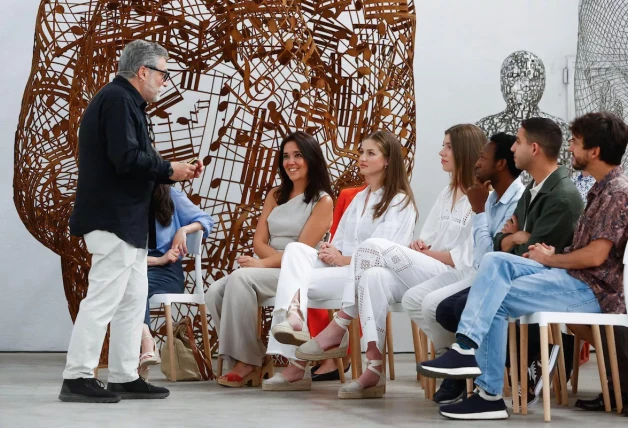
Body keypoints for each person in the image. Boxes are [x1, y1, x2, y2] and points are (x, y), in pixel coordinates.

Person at [419, 111, 628, 420]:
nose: (570, 149)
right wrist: (550, 251)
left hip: (590, 289)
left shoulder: (616, 192)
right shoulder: (601, 189)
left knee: (495, 294)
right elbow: (505, 243)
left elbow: (597, 257)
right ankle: (466, 352)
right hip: (572, 276)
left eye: (576, 143)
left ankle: (486, 392)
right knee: (495, 262)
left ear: (594, 152)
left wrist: (549, 258)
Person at [291, 124, 482, 397]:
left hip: (457, 275)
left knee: (372, 247)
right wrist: (419, 246)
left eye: (448, 147)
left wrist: (424, 252)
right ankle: (374, 370)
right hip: (430, 270)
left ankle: (340, 325)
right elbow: (426, 240)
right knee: (373, 276)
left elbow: (466, 257)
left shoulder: (475, 196)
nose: (441, 152)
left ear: (464, 151)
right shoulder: (446, 193)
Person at [60, 40, 202, 403]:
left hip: (127, 223)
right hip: (114, 221)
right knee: (103, 299)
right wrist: (170, 168)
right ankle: (77, 376)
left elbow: (132, 158)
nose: (164, 82)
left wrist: (169, 172)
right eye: (163, 74)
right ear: (143, 72)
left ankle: (124, 374)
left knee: (130, 300)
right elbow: (126, 158)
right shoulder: (119, 100)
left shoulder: (123, 101)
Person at [432, 118, 584, 406]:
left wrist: (514, 239)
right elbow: (506, 242)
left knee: (471, 301)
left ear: (535, 148)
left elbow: (533, 253)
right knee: (449, 308)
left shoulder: (561, 196)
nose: (514, 147)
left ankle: (482, 373)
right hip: (518, 271)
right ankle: (486, 378)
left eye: (518, 141)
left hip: (549, 279)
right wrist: (513, 238)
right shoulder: (532, 190)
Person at [263, 130, 417, 393]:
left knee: (296, 284)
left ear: (388, 160)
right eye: (361, 152)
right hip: (341, 271)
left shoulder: (400, 201)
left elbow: (382, 253)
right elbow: (341, 241)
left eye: (370, 153)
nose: (362, 158)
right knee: (297, 250)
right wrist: (328, 249)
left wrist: (341, 257)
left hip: (367, 277)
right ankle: (293, 320)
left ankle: (297, 365)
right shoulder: (360, 198)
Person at [205, 131, 334, 388]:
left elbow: (301, 251)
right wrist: (265, 261)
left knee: (240, 279)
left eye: (298, 155)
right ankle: (252, 357)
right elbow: (258, 242)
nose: (291, 162)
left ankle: (247, 363)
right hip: (269, 266)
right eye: (286, 156)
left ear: (312, 159)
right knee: (214, 292)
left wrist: (263, 264)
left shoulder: (322, 200)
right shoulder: (275, 195)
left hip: (297, 270)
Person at [404, 132, 524, 404]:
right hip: (477, 269)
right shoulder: (486, 198)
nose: (477, 164)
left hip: (490, 273)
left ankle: (464, 368)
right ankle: (455, 360)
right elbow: (487, 250)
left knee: (444, 306)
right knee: (421, 301)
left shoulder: (502, 198)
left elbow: (484, 256)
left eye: (483, 158)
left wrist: (480, 212)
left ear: (501, 164)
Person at [138, 184, 214, 376]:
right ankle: (147, 342)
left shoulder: (169, 194)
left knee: (134, 286)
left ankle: (145, 347)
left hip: (167, 273)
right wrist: (157, 259)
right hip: (138, 268)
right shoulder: (124, 197)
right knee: (132, 284)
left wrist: (183, 230)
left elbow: (205, 220)